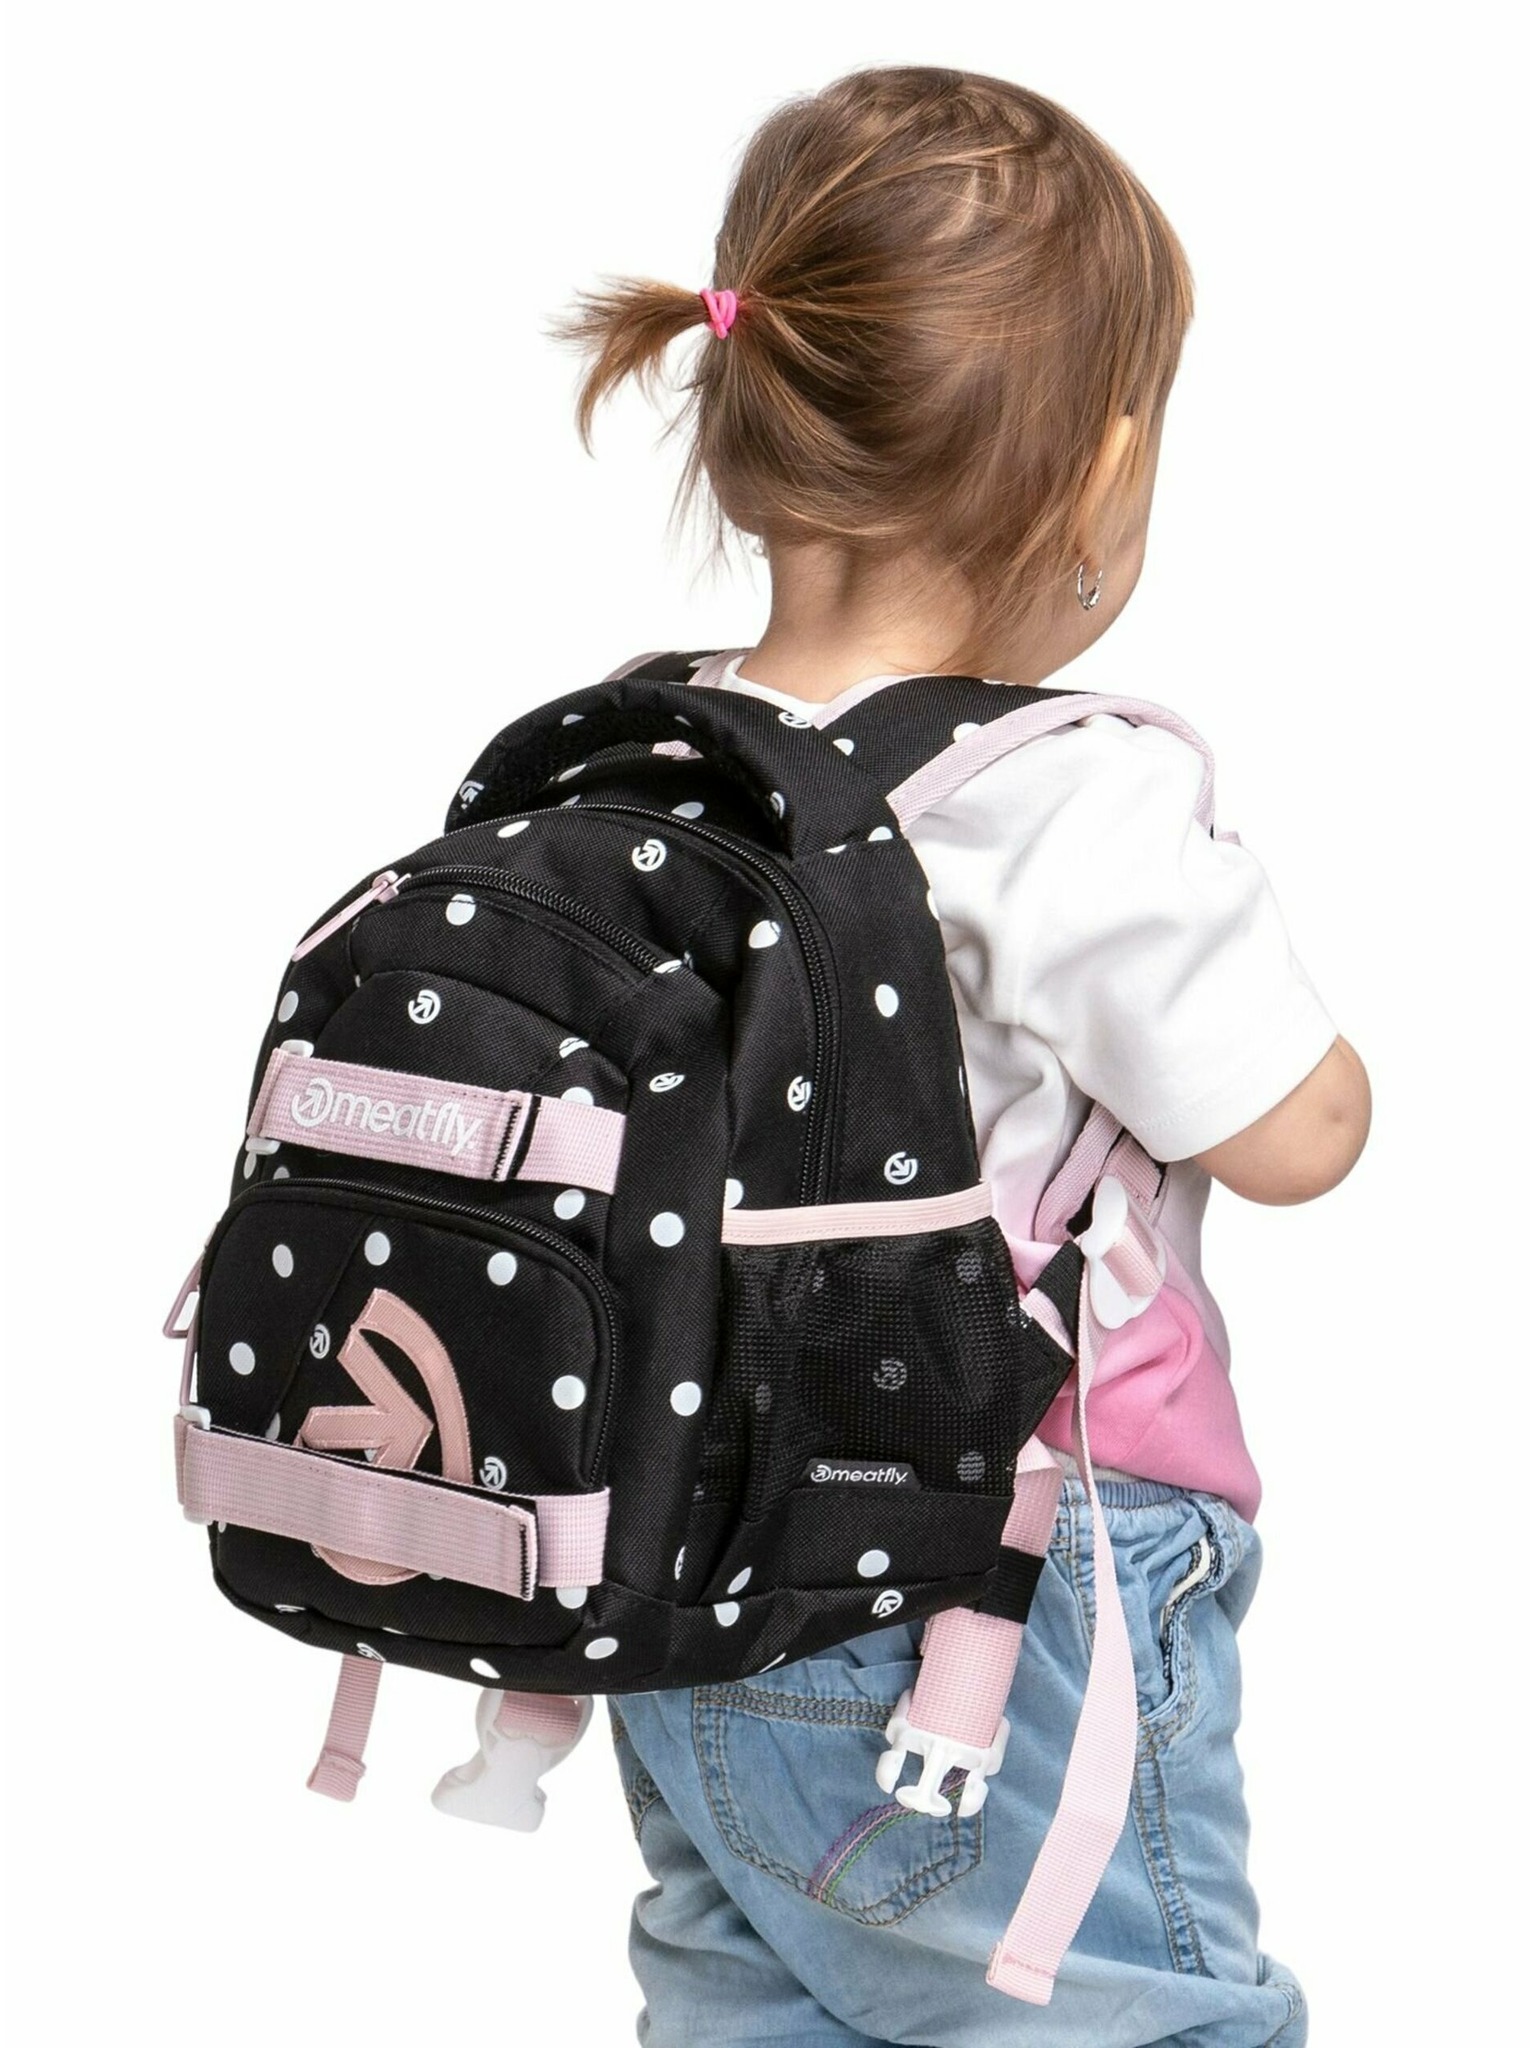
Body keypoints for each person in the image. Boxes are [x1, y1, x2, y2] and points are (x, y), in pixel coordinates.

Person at [555, 64, 1370, 2048]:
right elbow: (1297, 1135)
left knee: (755, 2013)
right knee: (1129, 2013)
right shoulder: (1065, 798)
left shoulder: (636, 766)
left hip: (676, 1560)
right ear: (1100, 476)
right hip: (1002, 1587)